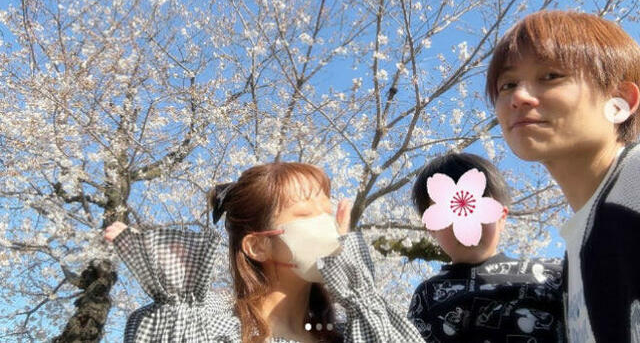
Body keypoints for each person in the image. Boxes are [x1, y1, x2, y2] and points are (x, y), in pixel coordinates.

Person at [105, 162, 424, 342]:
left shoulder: (348, 331)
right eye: (305, 214)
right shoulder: (210, 323)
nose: (327, 226)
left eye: (327, 212)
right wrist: (174, 290)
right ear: (258, 245)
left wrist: (359, 290)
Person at [486, 10, 640, 342]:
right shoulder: (577, 245)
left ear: (622, 101)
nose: (518, 97)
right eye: (507, 84)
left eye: (551, 76)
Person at [407, 152, 565, 342]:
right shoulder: (427, 295)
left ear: (501, 217)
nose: (465, 219)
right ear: (432, 227)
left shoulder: (552, 273)